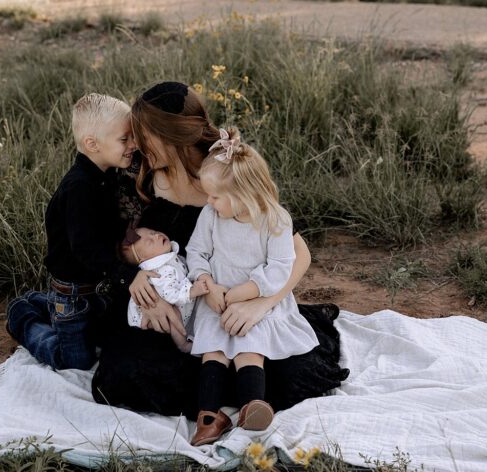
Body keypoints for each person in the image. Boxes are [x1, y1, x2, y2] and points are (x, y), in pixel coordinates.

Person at [91, 82, 349, 420]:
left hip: (238, 299)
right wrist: (144, 289)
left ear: (171, 136)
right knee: (126, 369)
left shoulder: (224, 170)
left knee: (288, 374)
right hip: (180, 307)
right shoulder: (141, 172)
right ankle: (217, 398)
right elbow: (119, 243)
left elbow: (299, 254)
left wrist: (261, 304)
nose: (136, 144)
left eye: (144, 136)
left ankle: (235, 397)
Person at [185, 127, 320, 445]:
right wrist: (208, 284)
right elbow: (196, 252)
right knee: (213, 350)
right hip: (216, 300)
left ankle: (252, 406)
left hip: (256, 300)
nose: (209, 201)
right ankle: (209, 417)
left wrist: (242, 293)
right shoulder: (211, 216)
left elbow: (279, 268)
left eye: (215, 196)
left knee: (251, 348)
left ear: (243, 194)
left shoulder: (275, 220)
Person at [6, 93, 150, 370]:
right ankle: (21, 314)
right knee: (75, 361)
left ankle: (44, 302)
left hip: (99, 288)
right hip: (72, 295)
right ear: (92, 144)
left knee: (109, 342)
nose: (133, 145)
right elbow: (85, 248)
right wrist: (126, 275)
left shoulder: (108, 174)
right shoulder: (79, 188)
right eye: (124, 139)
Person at [120, 225, 209, 353]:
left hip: (173, 302)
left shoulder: (168, 258)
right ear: (142, 259)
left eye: (153, 232)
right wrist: (192, 291)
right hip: (149, 315)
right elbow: (170, 295)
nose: (157, 236)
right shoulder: (160, 271)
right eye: (150, 241)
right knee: (173, 314)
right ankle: (182, 344)